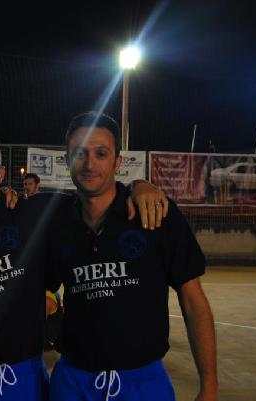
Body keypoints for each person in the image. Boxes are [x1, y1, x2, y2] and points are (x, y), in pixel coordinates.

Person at [0, 132, 168, 401]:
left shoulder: (34, 213)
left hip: (23, 378)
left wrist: (136, 186)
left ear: (0, 172)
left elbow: (96, 197)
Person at [47, 111, 218, 401]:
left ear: (117, 162)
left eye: (101, 154)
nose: (89, 164)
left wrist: (209, 386)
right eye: (79, 153)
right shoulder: (56, 220)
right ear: (67, 160)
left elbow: (193, 301)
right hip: (72, 383)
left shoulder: (157, 214)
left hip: (142, 384)